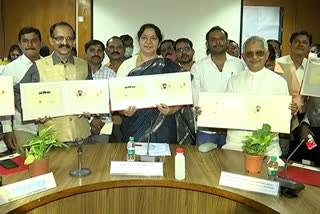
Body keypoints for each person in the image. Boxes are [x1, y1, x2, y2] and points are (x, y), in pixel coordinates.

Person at [14, 22, 91, 143]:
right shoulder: (38, 66)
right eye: (59, 38)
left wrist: (90, 107)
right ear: (51, 40)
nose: (64, 43)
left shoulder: (84, 65)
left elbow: (91, 93)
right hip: (52, 139)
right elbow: (17, 91)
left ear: (74, 41)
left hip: (82, 136)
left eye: (69, 38)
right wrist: (31, 112)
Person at [117, 23, 195, 144]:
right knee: (135, 159)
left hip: (164, 126)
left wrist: (172, 110)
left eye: (153, 38)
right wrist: (123, 111)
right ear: (138, 41)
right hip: (133, 125)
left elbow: (184, 94)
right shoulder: (126, 66)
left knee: (164, 160)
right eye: (144, 38)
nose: (148, 41)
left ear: (159, 43)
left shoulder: (168, 66)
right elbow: (118, 97)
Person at [223, 36, 290, 156]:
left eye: (259, 53)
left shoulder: (279, 82)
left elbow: (284, 117)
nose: (254, 57)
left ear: (267, 55)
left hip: (268, 148)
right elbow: (226, 111)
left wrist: (290, 112)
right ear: (243, 57)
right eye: (249, 54)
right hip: (235, 145)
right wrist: (206, 112)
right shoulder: (233, 80)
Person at [191, 26, 244, 147]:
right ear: (207, 44)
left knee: (230, 164)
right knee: (205, 164)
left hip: (232, 130)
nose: (218, 42)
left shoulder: (238, 65)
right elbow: (195, 98)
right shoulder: (198, 67)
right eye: (213, 39)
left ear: (227, 42)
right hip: (206, 130)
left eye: (221, 38)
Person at [1, 26, 42, 154]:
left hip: (48, 128)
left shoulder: (47, 65)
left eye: (34, 40)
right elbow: (4, 101)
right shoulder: (10, 68)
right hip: (23, 128)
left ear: (41, 43)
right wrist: (7, 130)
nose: (30, 45)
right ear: (19, 44)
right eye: (25, 41)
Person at [85, 39, 116, 143]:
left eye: (99, 51)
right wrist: (91, 120)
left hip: (104, 126)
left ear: (104, 54)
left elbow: (113, 100)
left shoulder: (111, 75)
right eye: (92, 50)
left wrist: (99, 121)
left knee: (102, 157)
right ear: (86, 53)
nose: (96, 53)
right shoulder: (78, 73)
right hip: (81, 126)